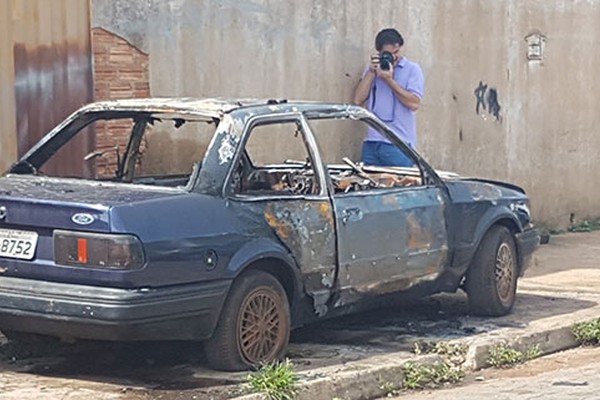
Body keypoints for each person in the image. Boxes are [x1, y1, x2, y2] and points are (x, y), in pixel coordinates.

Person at [353, 28, 425, 167]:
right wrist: (372, 73)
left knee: (400, 186)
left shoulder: (412, 69)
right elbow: (358, 100)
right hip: (372, 142)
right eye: (388, 54)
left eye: (396, 52)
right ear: (379, 52)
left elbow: (414, 104)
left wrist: (389, 81)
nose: (394, 57)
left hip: (399, 144)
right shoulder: (372, 70)